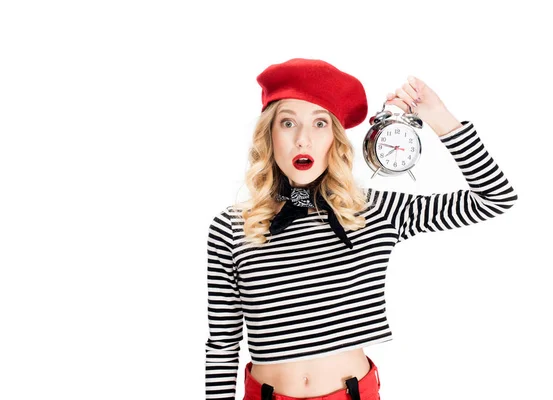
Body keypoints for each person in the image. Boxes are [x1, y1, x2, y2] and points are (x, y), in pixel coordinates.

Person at [205, 58, 518, 400]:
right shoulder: (233, 226)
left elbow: (494, 198)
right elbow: (222, 344)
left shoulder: (374, 210)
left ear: (335, 140)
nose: (303, 139)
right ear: (269, 134)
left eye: (320, 123)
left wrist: (439, 118)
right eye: (288, 122)